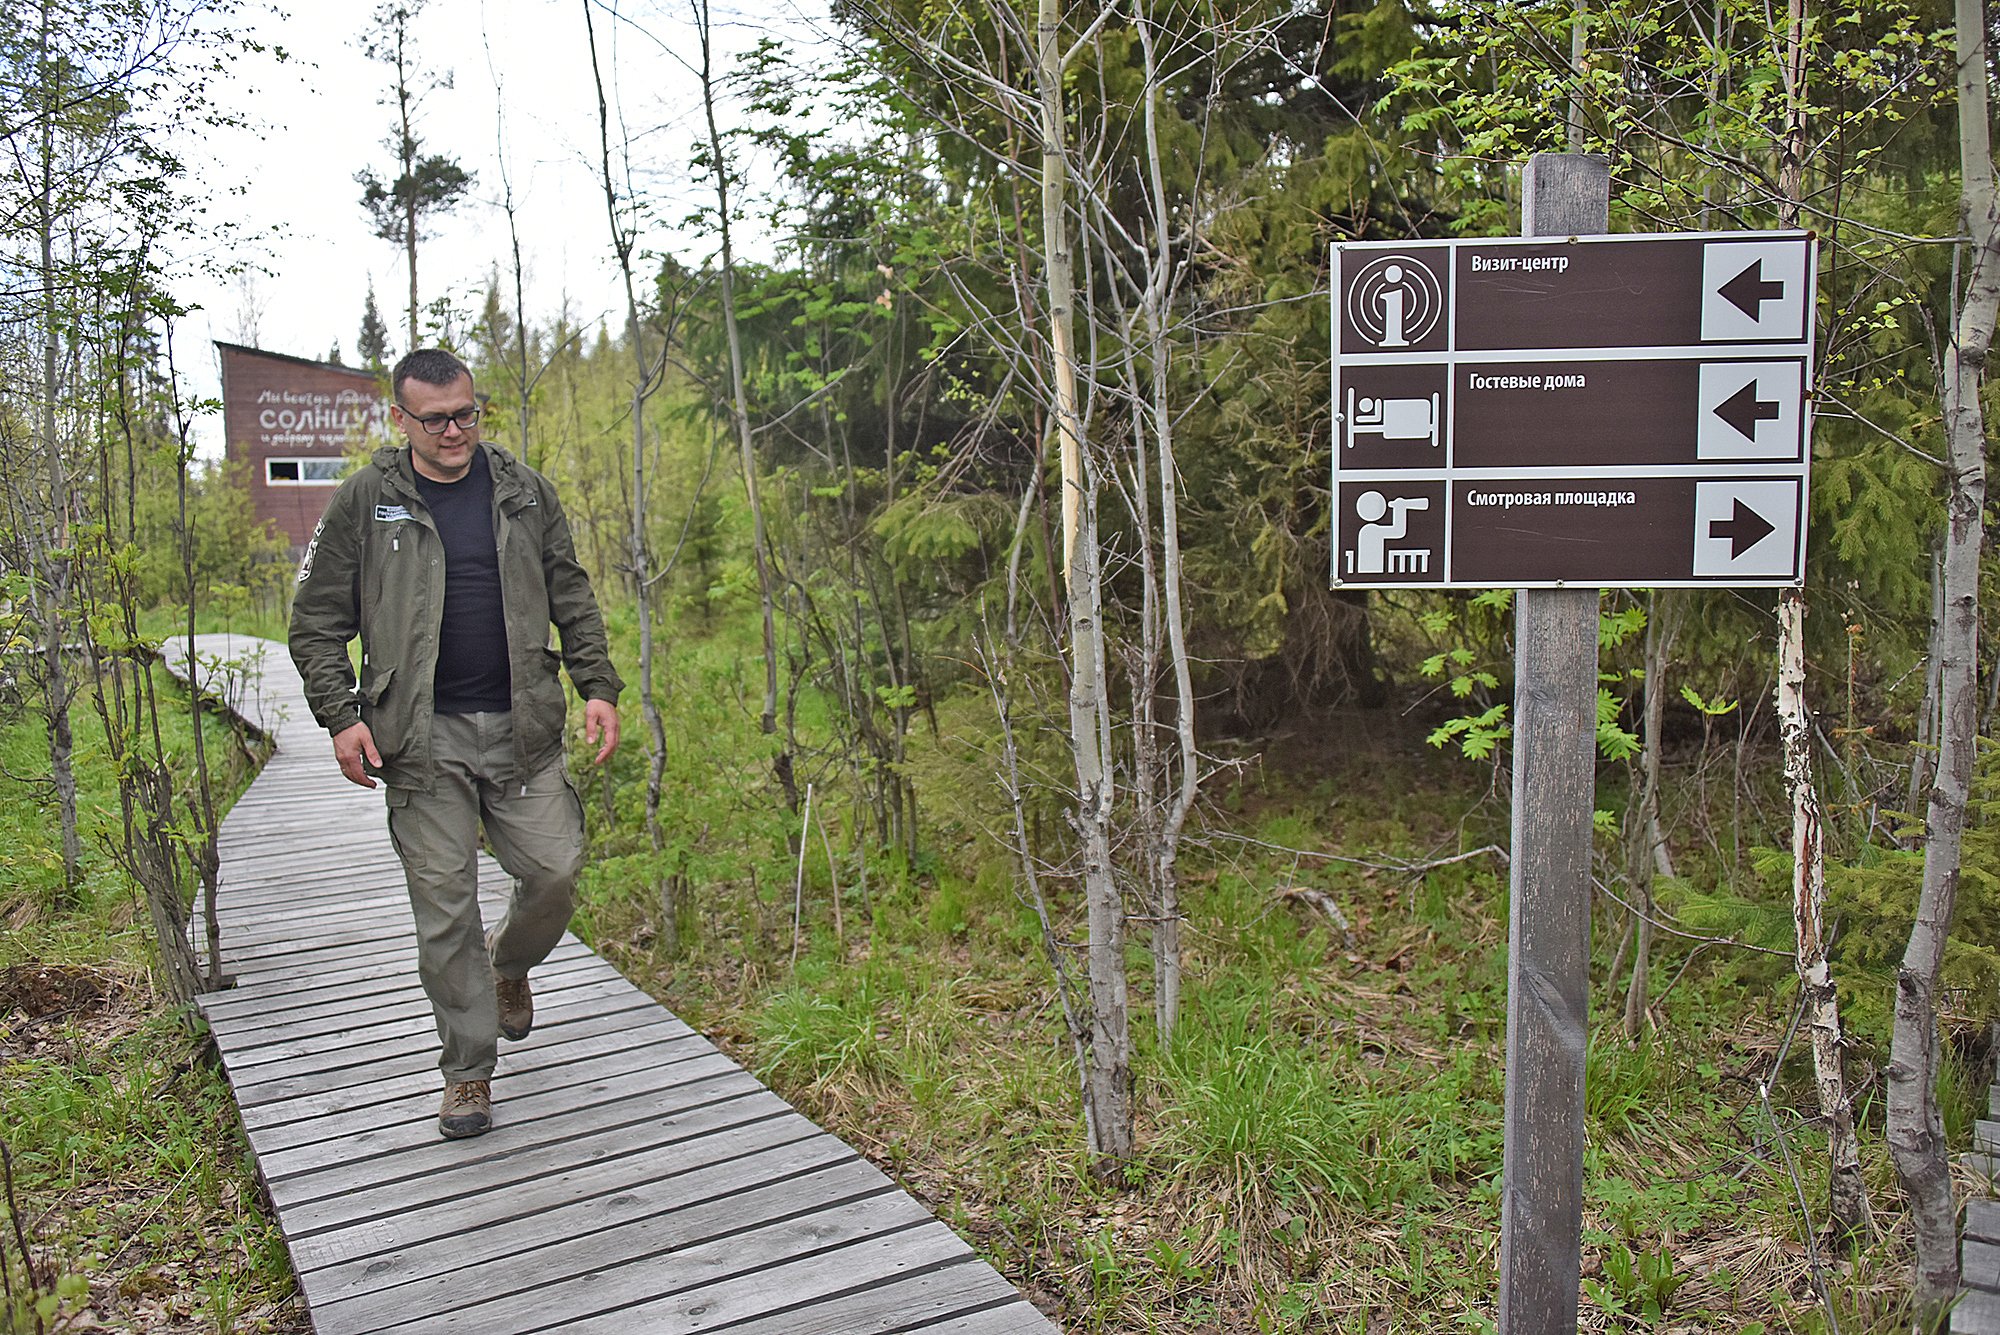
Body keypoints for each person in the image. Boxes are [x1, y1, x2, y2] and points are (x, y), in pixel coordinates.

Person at [289, 348, 622, 1140]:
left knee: (555, 869)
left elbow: (570, 589)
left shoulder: (522, 490)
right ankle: (468, 1072)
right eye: (434, 418)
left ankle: (509, 965)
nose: (453, 430)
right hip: (419, 740)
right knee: (445, 912)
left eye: (465, 413)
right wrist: (342, 716)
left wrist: (598, 684)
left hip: (524, 727)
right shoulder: (366, 502)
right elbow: (316, 623)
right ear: (399, 418)